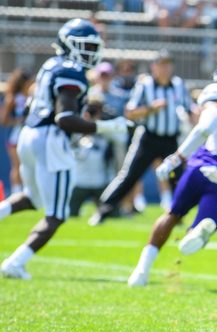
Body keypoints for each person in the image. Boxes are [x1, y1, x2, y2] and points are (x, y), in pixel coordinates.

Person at [126, 55, 217, 287]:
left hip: (206, 161)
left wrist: (177, 157)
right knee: (205, 223)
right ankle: (202, 228)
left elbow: (206, 125)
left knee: (172, 214)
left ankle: (141, 272)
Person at [0, 19, 127, 279]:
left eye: (94, 47)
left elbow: (34, 108)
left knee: (31, 198)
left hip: (29, 134)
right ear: (69, 44)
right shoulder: (72, 71)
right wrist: (105, 127)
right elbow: (64, 118)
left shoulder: (51, 64)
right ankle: (16, 262)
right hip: (51, 140)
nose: (91, 52)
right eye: (86, 46)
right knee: (57, 214)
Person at [90, 49, 195, 225]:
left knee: (177, 179)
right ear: (154, 67)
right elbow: (129, 112)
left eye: (169, 65)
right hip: (148, 138)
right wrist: (151, 108)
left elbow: (189, 109)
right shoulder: (145, 85)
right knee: (129, 176)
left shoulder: (178, 85)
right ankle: (104, 210)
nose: (166, 69)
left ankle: (178, 215)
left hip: (170, 140)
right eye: (162, 65)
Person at [1, 69, 33, 195]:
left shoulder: (32, 98)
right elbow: (4, 120)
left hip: (29, 135)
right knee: (17, 165)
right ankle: (16, 191)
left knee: (29, 166)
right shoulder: (12, 99)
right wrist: (19, 120)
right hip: (15, 137)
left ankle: (28, 191)